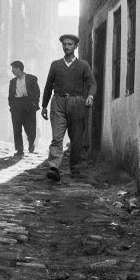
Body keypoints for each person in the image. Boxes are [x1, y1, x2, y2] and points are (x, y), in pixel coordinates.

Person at [41, 34, 96, 182]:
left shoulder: (83, 65)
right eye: (64, 44)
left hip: (77, 102)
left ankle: (76, 170)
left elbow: (92, 83)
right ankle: (54, 167)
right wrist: (44, 105)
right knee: (57, 138)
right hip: (58, 101)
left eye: (70, 44)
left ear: (75, 46)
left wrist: (90, 96)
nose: (67, 47)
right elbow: (48, 86)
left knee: (76, 138)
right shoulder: (55, 65)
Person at [8, 60, 40, 157]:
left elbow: (37, 93)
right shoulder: (12, 82)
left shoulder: (32, 79)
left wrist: (34, 104)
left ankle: (31, 143)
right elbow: (10, 95)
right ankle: (19, 150)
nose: (12, 71)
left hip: (28, 104)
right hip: (16, 105)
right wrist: (11, 106)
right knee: (17, 128)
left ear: (18, 69)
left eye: (13, 69)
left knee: (29, 127)